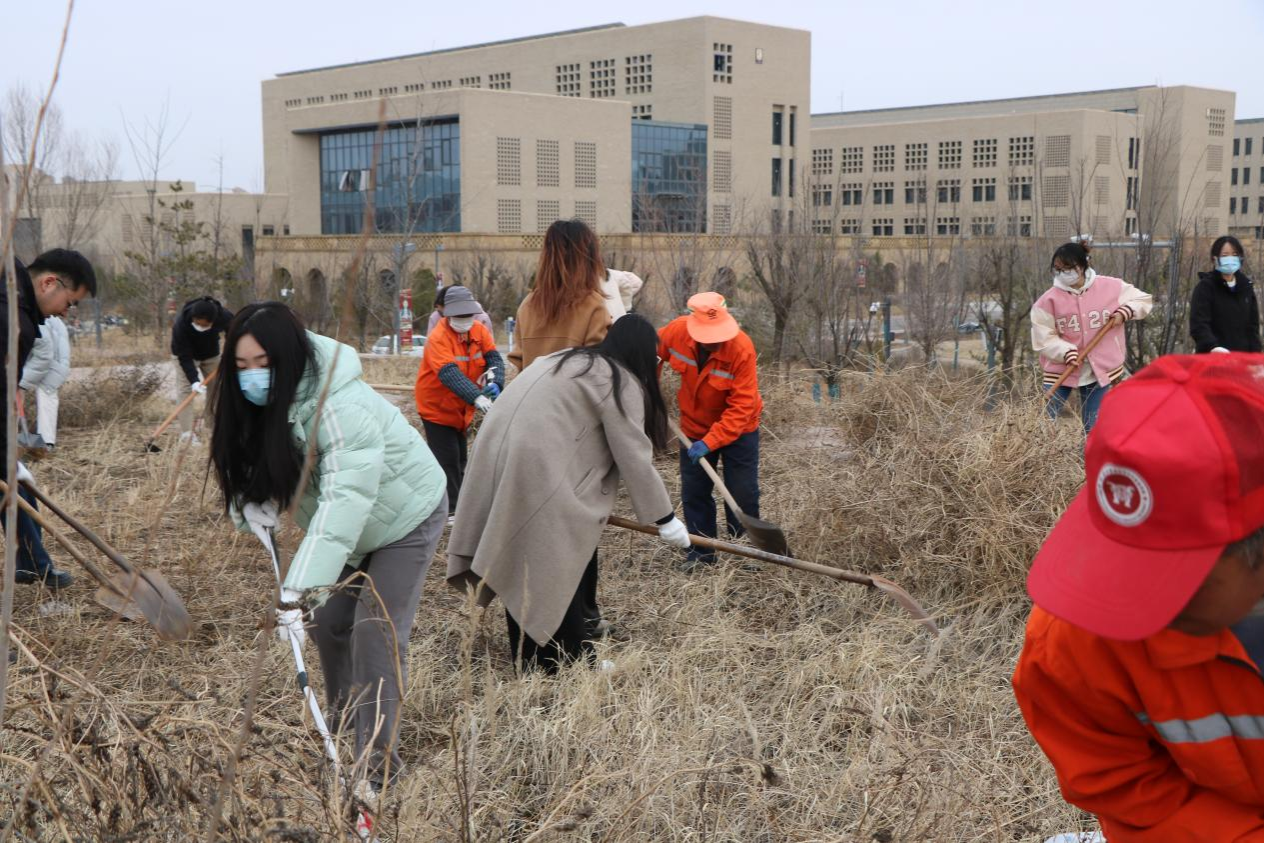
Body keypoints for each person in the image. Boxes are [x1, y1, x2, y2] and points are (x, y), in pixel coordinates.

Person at [1013, 353, 1264, 841]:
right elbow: (1127, 789)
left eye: (1171, 573)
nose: (1125, 595)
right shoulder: (1073, 639)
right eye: (1123, 555)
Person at [210, 303, 448, 795]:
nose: (252, 376)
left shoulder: (340, 403)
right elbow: (247, 458)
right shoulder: (257, 401)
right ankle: (342, 736)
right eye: (241, 365)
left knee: (374, 633)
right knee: (329, 623)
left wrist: (297, 588)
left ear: (288, 356)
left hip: (406, 515)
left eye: (263, 363)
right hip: (352, 529)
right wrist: (248, 503)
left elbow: (345, 501)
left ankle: (376, 770)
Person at [447, 314, 690, 673]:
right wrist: (665, 519)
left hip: (496, 459)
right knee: (550, 564)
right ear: (641, 354)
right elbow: (633, 455)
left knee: (527, 559)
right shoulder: (618, 381)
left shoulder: (565, 359)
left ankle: (551, 659)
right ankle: (559, 665)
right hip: (535, 468)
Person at [0, 249, 96, 590]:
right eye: (69, 303)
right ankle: (36, 564)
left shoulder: (17, 302)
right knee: (12, 483)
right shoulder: (13, 319)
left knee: (18, 485)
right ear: (48, 283)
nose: (66, 312)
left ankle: (32, 564)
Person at [657, 292, 763, 573]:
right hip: (693, 427)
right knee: (695, 492)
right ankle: (701, 554)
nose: (715, 341)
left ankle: (745, 551)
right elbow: (649, 352)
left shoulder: (741, 348)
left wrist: (711, 441)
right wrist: (648, 386)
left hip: (739, 429)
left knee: (742, 491)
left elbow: (742, 406)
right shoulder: (676, 332)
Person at [1031, 242, 1152, 434]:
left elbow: (1143, 300)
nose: (1062, 273)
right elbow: (1043, 337)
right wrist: (1065, 352)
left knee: (1093, 426)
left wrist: (1126, 312)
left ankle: (1089, 453)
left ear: (1082, 265)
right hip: (1062, 369)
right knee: (1043, 422)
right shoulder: (1047, 300)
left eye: (1067, 268)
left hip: (1100, 370)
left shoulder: (1111, 287)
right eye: (1057, 269)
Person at [414, 286, 504, 520]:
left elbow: (493, 357)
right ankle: (451, 511)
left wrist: (496, 380)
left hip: (462, 409)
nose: (465, 320)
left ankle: (460, 505)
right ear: (448, 314)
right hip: (436, 407)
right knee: (447, 460)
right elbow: (449, 373)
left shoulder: (479, 330)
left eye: (468, 315)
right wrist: (476, 396)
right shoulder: (438, 338)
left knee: (461, 458)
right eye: (460, 315)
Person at [507, 219, 612, 371]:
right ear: (589, 258)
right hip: (574, 387)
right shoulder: (594, 306)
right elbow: (598, 369)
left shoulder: (528, 305)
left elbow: (517, 364)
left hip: (534, 386)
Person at [171, 295, 233, 442]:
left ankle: (214, 427)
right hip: (185, 356)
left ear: (213, 321)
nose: (200, 327)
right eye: (197, 323)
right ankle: (187, 434)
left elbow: (235, 333)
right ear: (193, 318)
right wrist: (194, 380)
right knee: (185, 391)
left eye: (204, 325)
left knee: (217, 389)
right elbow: (184, 356)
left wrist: (229, 352)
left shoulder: (224, 317)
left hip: (211, 355)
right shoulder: (181, 324)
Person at [1189, 235, 1260, 354]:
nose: (1230, 259)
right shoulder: (1206, 288)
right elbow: (1199, 324)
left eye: (1234, 254)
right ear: (1215, 259)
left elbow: (1253, 327)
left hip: (1242, 358)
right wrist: (1212, 346)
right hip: (1213, 357)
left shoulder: (1246, 287)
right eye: (1225, 255)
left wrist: (1256, 354)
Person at [20, 314, 70, 449]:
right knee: (47, 395)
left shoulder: (38, 321)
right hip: (54, 362)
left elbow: (43, 358)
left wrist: (20, 385)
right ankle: (45, 443)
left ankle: (46, 445)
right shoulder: (50, 320)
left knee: (46, 394)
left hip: (51, 365)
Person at [426, 285, 493, 336]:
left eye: (445, 312)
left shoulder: (482, 321)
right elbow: (430, 343)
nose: (445, 317)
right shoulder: (436, 318)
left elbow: (489, 346)